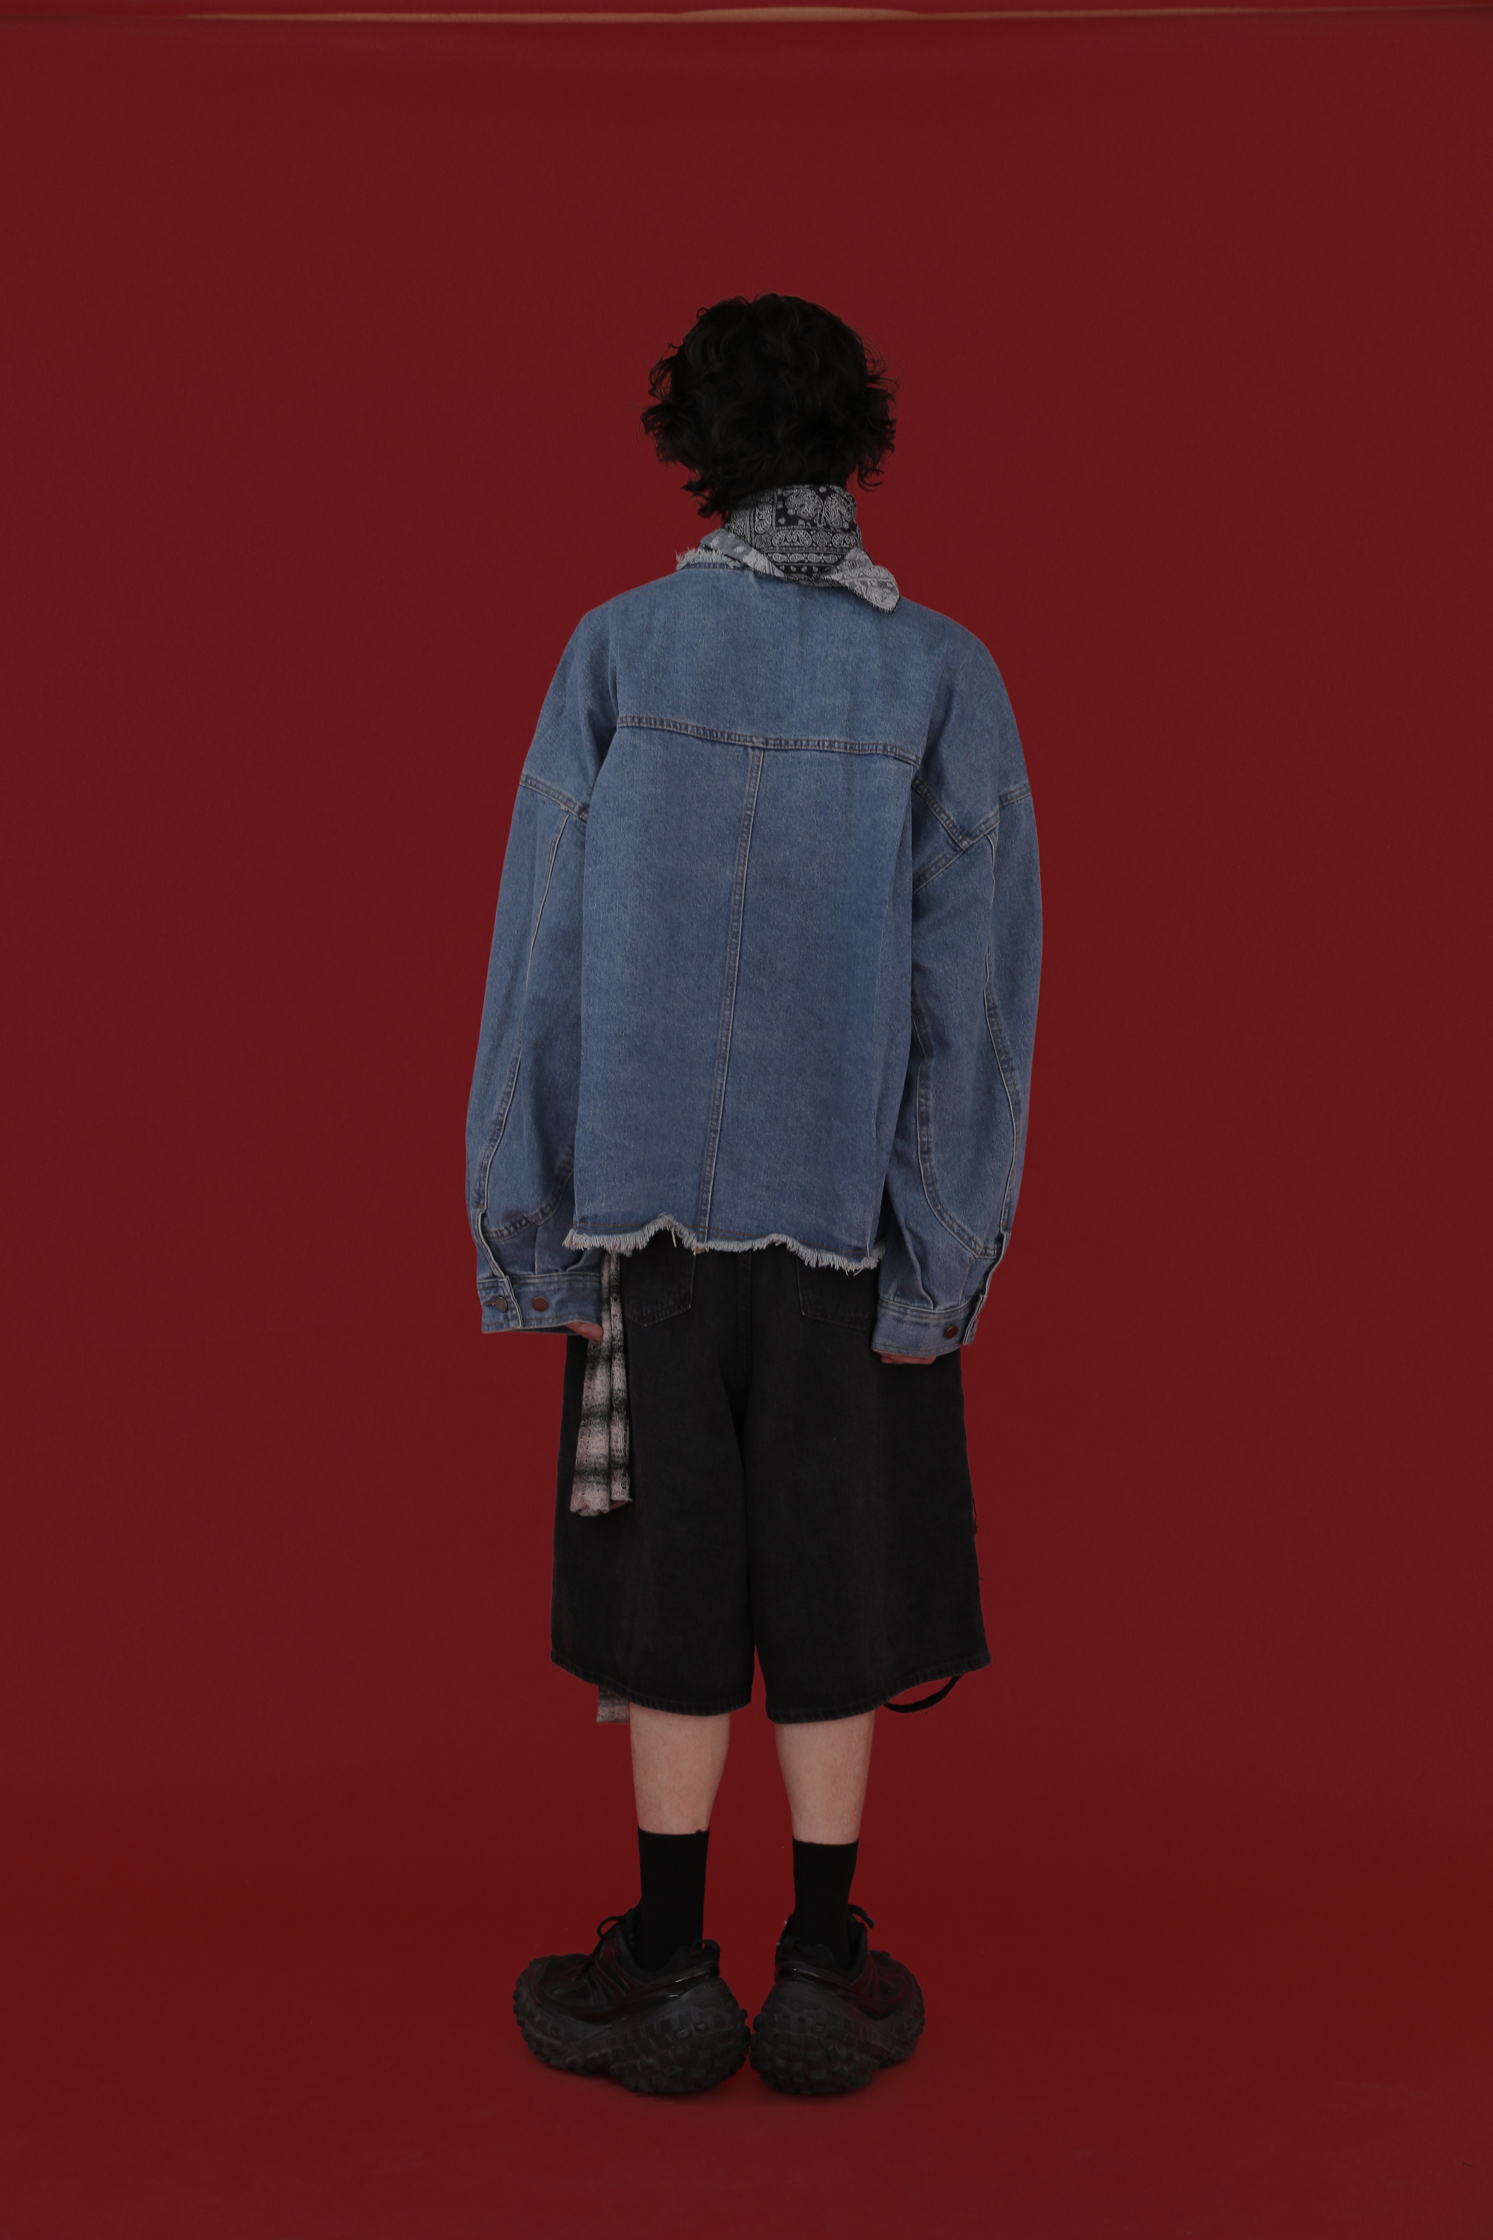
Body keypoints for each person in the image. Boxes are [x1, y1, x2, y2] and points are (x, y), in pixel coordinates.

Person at [465, 293, 1041, 2096]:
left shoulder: (616, 652)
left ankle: (664, 1966)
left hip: (641, 1231)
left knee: (669, 1588)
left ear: (693, 448)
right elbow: (974, 1003)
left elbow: (541, 966)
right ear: (856, 439)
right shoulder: (940, 673)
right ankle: (817, 1963)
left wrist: (529, 1225)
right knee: (834, 1587)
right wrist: (940, 1259)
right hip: (846, 1237)